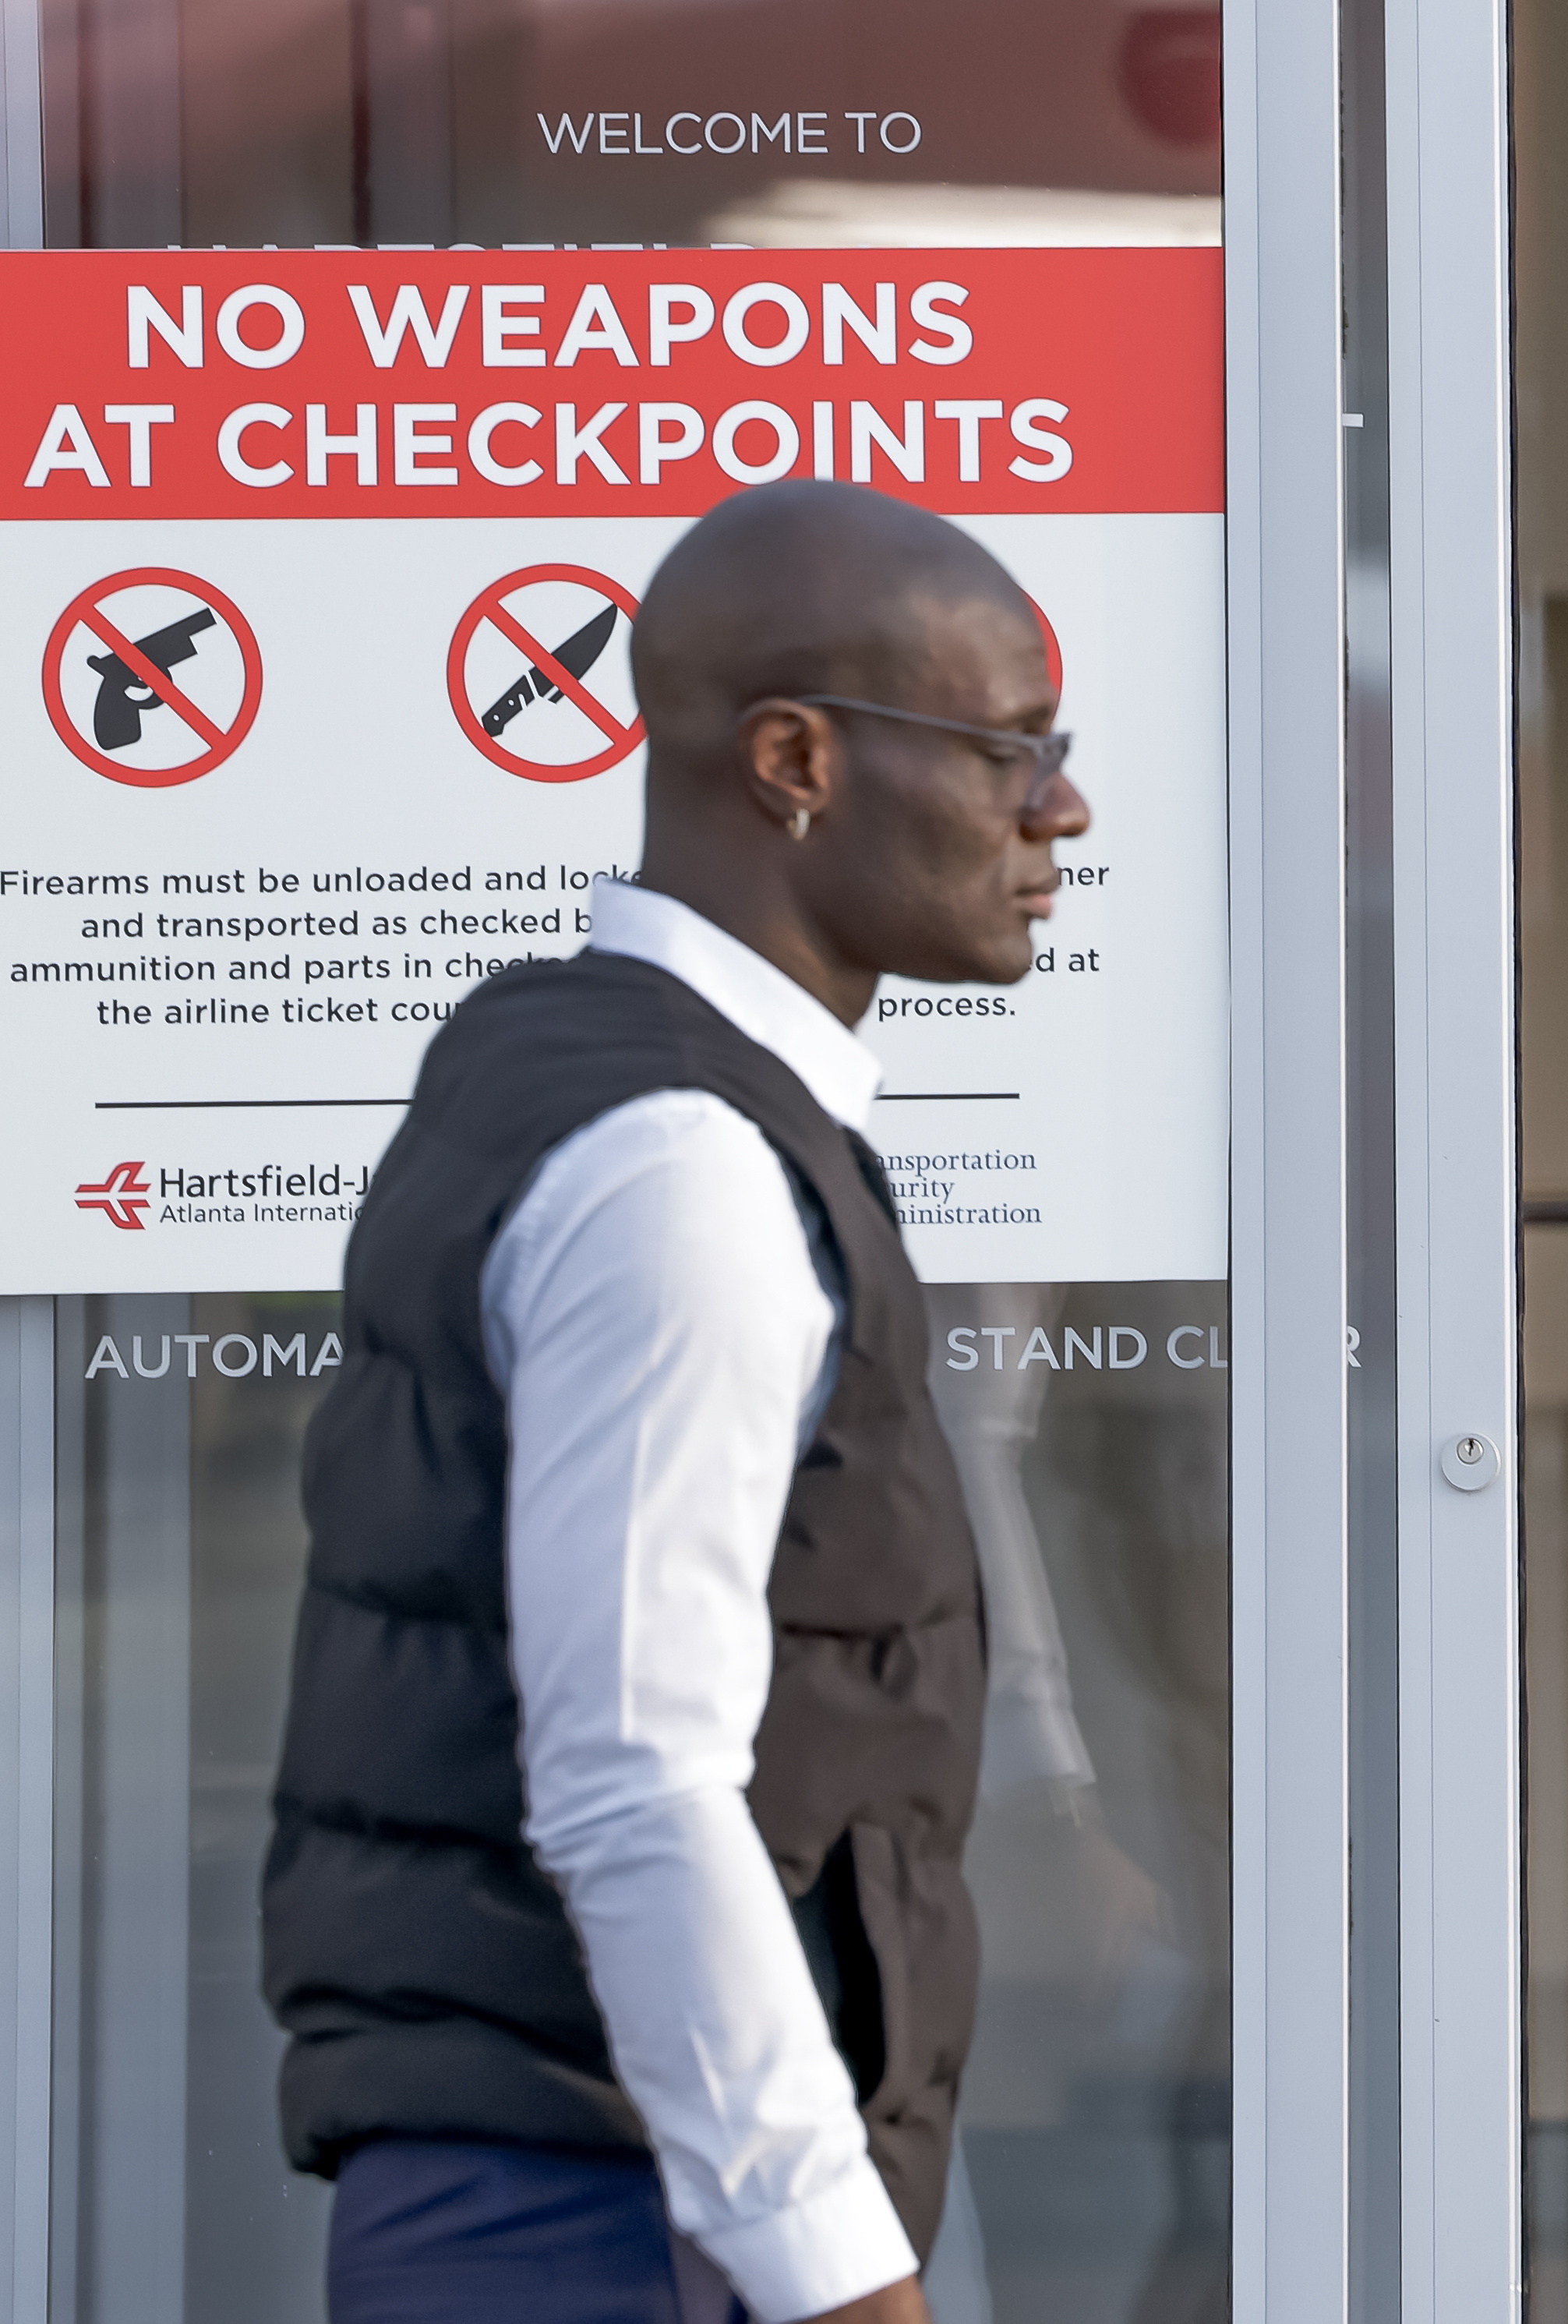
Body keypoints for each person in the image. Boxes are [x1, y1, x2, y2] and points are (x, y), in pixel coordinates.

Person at [263, 479, 1092, 2324]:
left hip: (589, 2187)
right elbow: (634, 1774)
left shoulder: (583, 1073)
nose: (1060, 809)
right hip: (616, 2217)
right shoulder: (681, 1164)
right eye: (1008, 750)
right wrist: (836, 2276)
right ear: (793, 759)